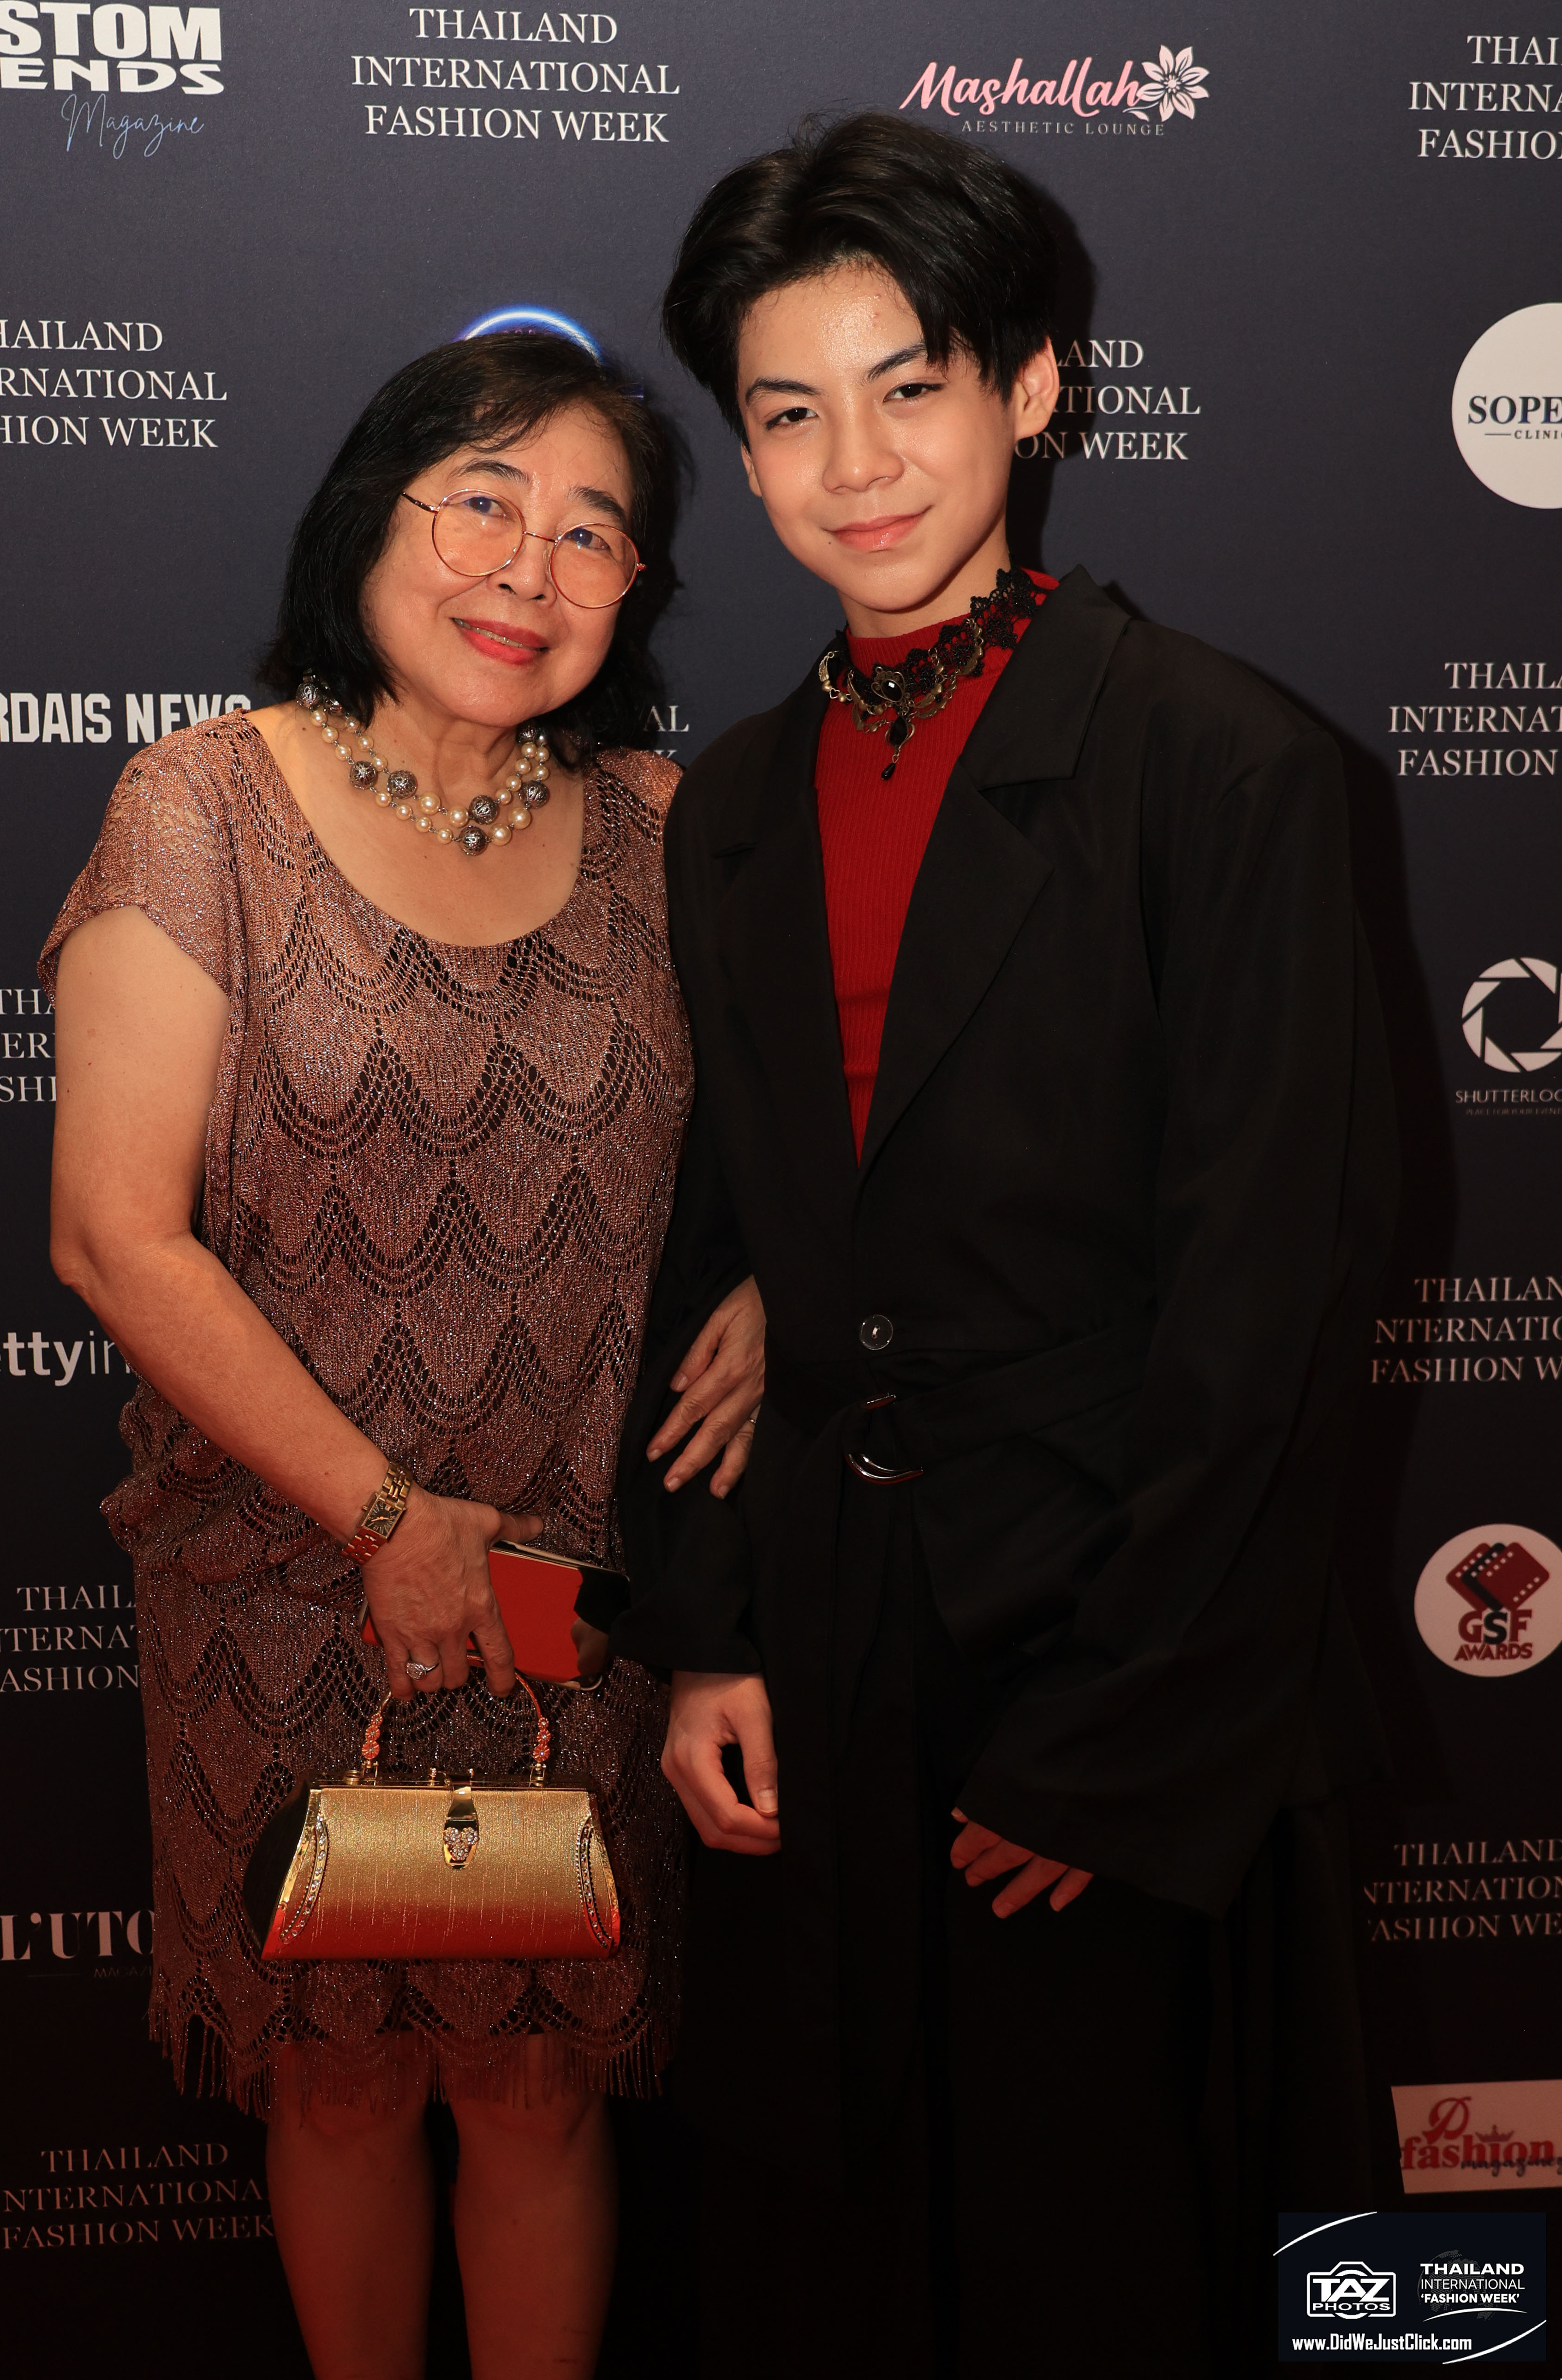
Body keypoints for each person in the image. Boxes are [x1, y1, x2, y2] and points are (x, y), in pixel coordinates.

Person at [615, 114, 1398, 2378]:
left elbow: (1273, 1299)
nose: (855, 465)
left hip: (1107, 1645)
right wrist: (706, 1635)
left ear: (1035, 385)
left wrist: (1123, 1743)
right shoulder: (733, 798)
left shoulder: (1225, 764)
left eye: (912, 386)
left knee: (1110, 2260)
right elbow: (721, 1230)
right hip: (825, 1655)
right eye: (789, 412)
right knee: (828, 2268)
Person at [43, 332, 763, 2380]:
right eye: (484, 503)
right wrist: (384, 1519)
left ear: (637, 592)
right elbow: (114, 1234)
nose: (531, 567)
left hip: (566, 1604)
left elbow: (832, 1127)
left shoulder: (668, 830)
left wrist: (784, 1288)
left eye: (595, 532)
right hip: (287, 1585)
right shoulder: (200, 805)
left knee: (539, 2088)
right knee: (344, 2086)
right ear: (371, 517)